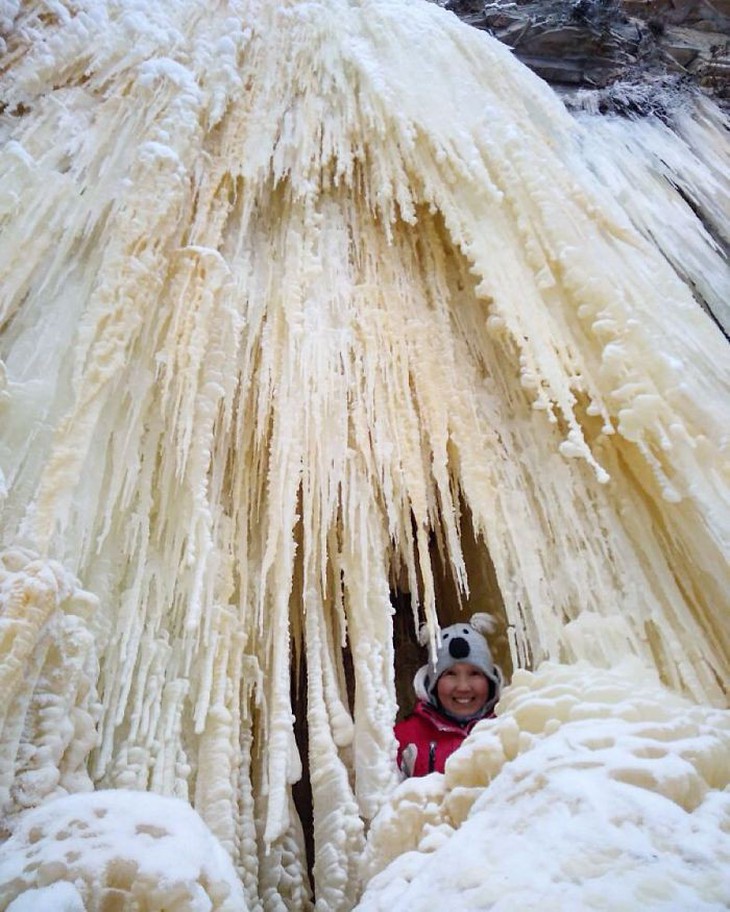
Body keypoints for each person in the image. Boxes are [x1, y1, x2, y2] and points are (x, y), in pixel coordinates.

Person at [395, 613, 503, 777]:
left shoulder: (509, 726)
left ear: (490, 679)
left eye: (475, 673)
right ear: (433, 682)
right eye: (450, 674)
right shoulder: (401, 739)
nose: (463, 687)